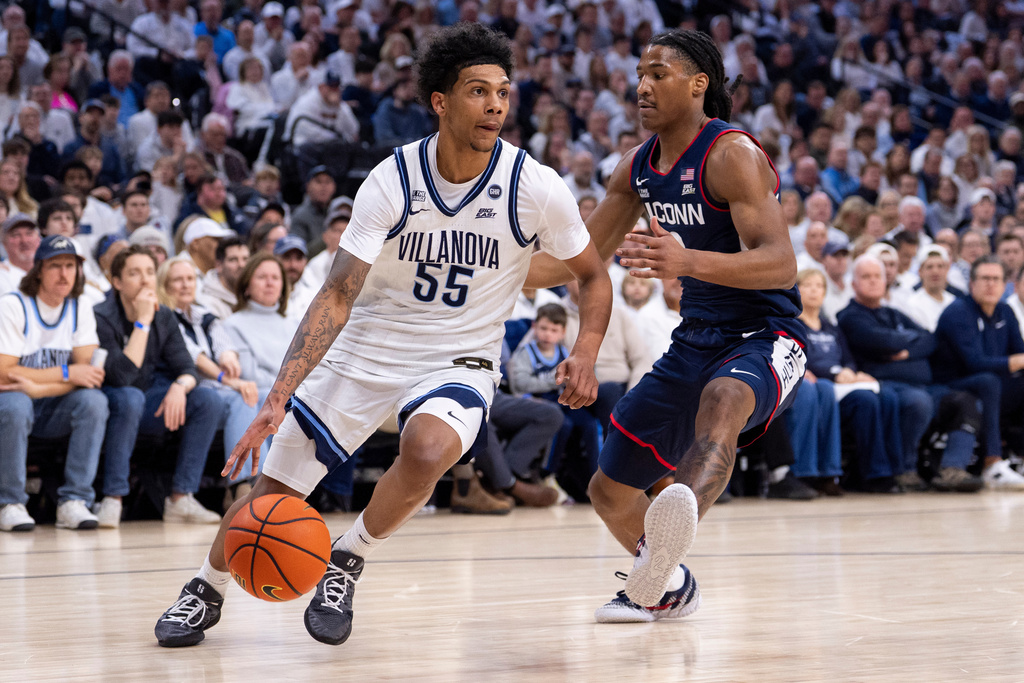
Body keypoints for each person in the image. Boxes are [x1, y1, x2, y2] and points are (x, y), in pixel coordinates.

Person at [153, 24, 610, 648]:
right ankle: (205, 587)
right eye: (478, 91)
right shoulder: (393, 179)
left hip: (460, 357)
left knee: (427, 449)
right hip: (366, 346)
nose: (497, 104)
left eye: (503, 91)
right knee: (273, 493)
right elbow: (337, 292)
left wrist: (585, 352)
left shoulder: (535, 185)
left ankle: (347, 559)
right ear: (441, 102)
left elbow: (591, 275)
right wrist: (279, 394)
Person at [527, 28, 806, 622]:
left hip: (768, 335)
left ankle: (650, 573)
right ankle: (672, 583)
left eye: (658, 73)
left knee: (725, 398)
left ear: (699, 83)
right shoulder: (637, 167)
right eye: (639, 75)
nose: (642, 86)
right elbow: (580, 259)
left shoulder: (733, 155)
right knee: (608, 491)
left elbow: (781, 265)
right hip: (696, 337)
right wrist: (490, 267)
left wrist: (686, 262)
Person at [94, 246, 225, 527]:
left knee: (207, 399)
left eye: (150, 272)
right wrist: (142, 322)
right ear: (116, 282)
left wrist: (180, 386)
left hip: (148, 401)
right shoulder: (101, 316)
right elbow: (122, 376)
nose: (145, 280)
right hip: (110, 401)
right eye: (134, 273)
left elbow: (187, 368)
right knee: (129, 398)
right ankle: (112, 498)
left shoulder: (164, 315)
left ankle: (181, 497)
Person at [0, 235, 108, 532]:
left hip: (48, 403)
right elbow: (4, 373)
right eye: (55, 266)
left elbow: (88, 374)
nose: (64, 274)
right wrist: (65, 373)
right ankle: (10, 503)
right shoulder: (13, 306)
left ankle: (74, 500)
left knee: (94, 402)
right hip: (10, 403)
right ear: (38, 270)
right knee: (16, 404)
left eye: (70, 266)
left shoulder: (80, 306)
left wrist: (39, 387)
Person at [933, 256, 1024, 490]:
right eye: (985, 279)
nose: (990, 284)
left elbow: (1020, 353)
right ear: (971, 283)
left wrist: (1016, 362)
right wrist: (1014, 362)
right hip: (952, 382)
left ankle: (1020, 456)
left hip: (990, 383)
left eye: (996, 279)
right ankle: (992, 462)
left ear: (1005, 286)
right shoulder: (958, 312)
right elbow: (974, 362)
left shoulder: (1006, 312)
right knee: (989, 381)